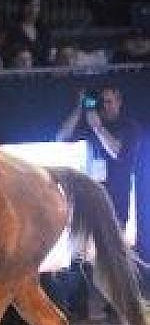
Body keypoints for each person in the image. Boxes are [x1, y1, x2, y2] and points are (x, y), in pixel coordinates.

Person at [56, 86, 140, 226]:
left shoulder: (128, 126)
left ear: (118, 102)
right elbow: (62, 138)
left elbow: (117, 152)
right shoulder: (93, 123)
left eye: (109, 101)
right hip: (93, 192)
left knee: (114, 232)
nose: (105, 107)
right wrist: (79, 109)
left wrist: (98, 128)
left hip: (116, 197)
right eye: (102, 102)